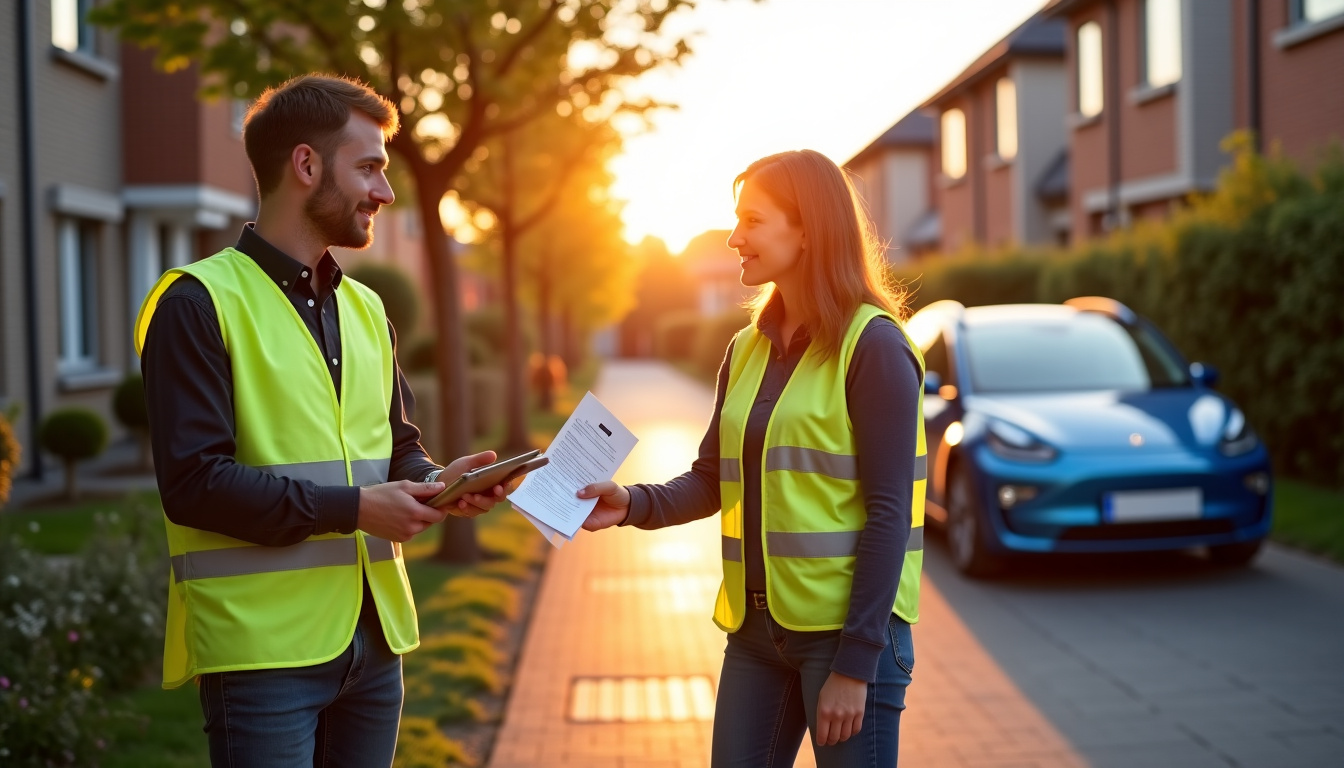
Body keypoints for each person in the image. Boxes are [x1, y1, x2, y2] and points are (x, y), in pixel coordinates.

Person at [135, 74, 505, 767]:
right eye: (369, 167)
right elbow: (194, 482)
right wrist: (359, 509)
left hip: (374, 644)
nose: (385, 192)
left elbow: (396, 444)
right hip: (261, 654)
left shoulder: (368, 309)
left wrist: (434, 482)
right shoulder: (197, 303)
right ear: (306, 165)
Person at [579, 150, 926, 767]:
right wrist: (631, 503)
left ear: (807, 229)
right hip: (756, 636)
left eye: (752, 221)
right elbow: (712, 478)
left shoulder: (873, 347)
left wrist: (855, 662)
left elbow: (889, 512)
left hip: (846, 639)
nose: (734, 238)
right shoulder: (745, 349)